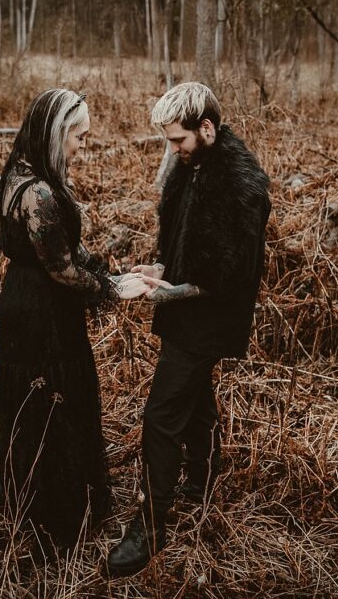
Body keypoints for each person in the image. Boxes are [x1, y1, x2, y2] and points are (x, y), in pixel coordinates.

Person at [105, 82, 272, 577]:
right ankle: (200, 484)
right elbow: (181, 240)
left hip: (209, 319)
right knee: (195, 400)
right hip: (185, 310)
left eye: (178, 140)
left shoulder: (242, 186)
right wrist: (160, 270)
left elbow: (230, 275)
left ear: (207, 128)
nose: (172, 150)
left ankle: (151, 524)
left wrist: (171, 292)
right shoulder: (190, 168)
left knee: (160, 415)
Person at [0, 88, 151, 553]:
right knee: (52, 395)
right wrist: (112, 288)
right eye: (79, 137)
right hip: (43, 310)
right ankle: (56, 512)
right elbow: (61, 268)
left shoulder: (22, 173)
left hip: (25, 300)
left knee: (37, 394)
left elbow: (65, 248)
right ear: (56, 134)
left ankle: (30, 495)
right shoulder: (37, 192)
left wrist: (109, 271)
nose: (84, 146)